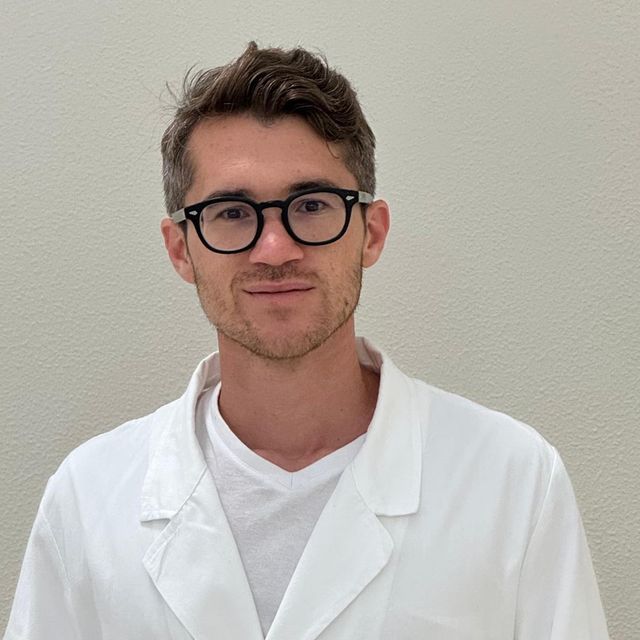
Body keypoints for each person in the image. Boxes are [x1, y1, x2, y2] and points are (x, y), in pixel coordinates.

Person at [4, 42, 609, 640]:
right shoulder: (88, 500)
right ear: (180, 248)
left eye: (313, 205)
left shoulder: (514, 482)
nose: (275, 249)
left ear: (371, 233)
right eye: (232, 212)